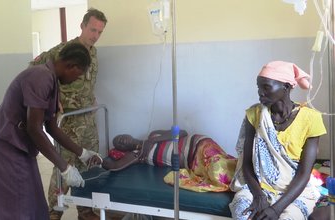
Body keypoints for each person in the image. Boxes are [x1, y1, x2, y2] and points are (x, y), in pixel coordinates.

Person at [0, 43, 102, 220]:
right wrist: (65, 167)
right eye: (77, 76)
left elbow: (51, 127)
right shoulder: (41, 77)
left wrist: (81, 152)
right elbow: (34, 128)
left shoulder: (51, 80)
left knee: (34, 205)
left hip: (20, 150)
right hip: (5, 150)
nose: (75, 80)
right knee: (17, 209)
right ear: (70, 66)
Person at [30, 8, 108, 220]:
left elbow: (87, 83)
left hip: (88, 122)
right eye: (92, 29)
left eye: (100, 32)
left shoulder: (93, 53)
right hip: (67, 125)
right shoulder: (64, 50)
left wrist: (91, 99)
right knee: (62, 172)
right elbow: (34, 70)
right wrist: (52, 101)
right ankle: (53, 214)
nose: (95, 35)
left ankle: (85, 211)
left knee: (88, 168)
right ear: (82, 26)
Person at [228, 61, 327, 220]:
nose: (260, 93)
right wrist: (259, 196)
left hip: (294, 192)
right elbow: (246, 163)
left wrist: (276, 209)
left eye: (266, 87)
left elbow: (303, 173)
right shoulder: (255, 115)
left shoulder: (311, 119)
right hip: (258, 188)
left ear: (286, 87)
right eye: (258, 87)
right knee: (242, 214)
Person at [102, 129, 238, 192]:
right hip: (193, 161)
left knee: (219, 164)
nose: (120, 140)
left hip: (198, 143)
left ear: (128, 133)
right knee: (218, 172)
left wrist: (154, 140)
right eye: (119, 143)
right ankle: (244, 180)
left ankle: (245, 175)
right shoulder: (137, 155)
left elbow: (181, 132)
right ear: (123, 149)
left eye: (120, 136)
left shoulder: (153, 134)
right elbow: (114, 166)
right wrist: (97, 159)